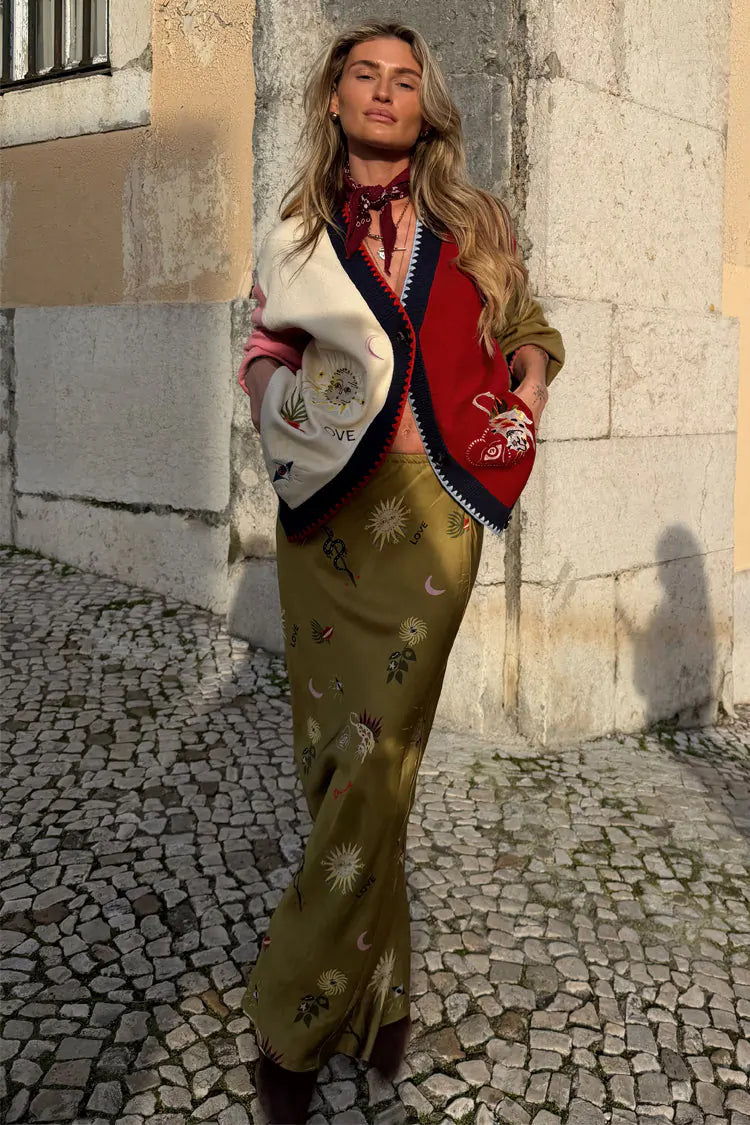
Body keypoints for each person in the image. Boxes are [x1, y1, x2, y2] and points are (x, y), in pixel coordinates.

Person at [237, 18, 565, 1123]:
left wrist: (523, 396)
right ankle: (385, 1002)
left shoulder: (475, 222)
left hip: (435, 517)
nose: (384, 92)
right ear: (334, 99)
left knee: (376, 764)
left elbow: (529, 326)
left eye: (406, 80)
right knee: (341, 767)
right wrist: (280, 413)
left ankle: (290, 1027)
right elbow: (265, 352)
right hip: (326, 521)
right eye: (364, 76)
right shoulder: (298, 231)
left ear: (427, 107)